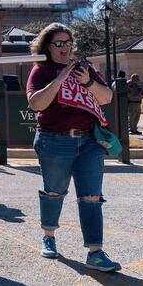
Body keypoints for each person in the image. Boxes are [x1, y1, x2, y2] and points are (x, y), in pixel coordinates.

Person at [26, 23, 120, 272]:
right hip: (54, 140)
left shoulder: (84, 68)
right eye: (59, 43)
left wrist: (88, 82)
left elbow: (106, 97)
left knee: (91, 197)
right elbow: (36, 104)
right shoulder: (41, 70)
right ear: (48, 46)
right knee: (54, 192)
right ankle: (49, 236)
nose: (65, 47)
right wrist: (59, 79)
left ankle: (95, 252)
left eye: (68, 42)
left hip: (89, 141)